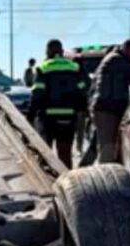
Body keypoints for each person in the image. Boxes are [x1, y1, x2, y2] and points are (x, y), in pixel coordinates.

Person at [29, 40, 88, 168]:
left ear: (48, 51)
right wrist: (81, 111)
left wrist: (30, 116)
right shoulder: (75, 68)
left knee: (45, 154)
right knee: (65, 154)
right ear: (61, 51)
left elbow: (37, 94)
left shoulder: (43, 68)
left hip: (47, 117)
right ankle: (68, 181)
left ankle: (47, 183)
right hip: (68, 117)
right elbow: (83, 90)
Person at [89, 39, 130, 164]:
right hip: (106, 109)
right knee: (107, 147)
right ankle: (105, 175)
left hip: (111, 108)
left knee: (109, 146)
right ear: (126, 49)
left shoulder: (118, 60)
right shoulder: (116, 60)